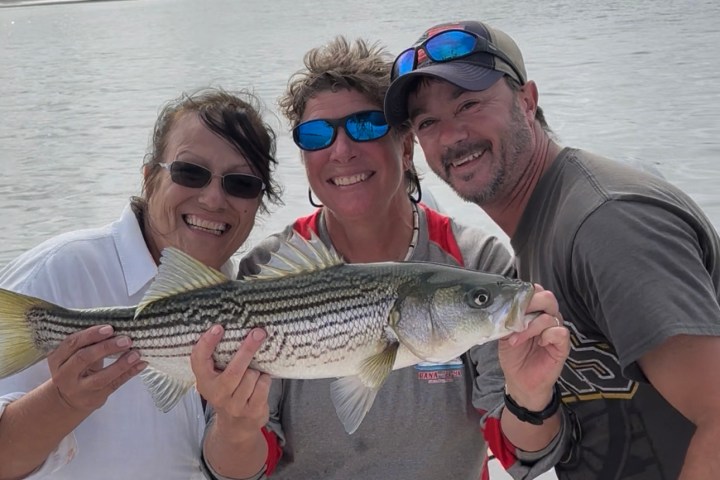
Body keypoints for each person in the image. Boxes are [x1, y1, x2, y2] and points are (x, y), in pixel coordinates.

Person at [192, 36, 571, 480]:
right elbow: (242, 470)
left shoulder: (475, 264)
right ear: (305, 159)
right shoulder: (268, 271)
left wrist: (530, 396)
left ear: (406, 146)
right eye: (316, 135)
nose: (341, 150)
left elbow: (522, 457)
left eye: (366, 126)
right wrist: (235, 425)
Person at [384, 20, 720, 480]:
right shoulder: (542, 227)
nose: (452, 135)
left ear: (527, 100)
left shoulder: (605, 225)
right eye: (428, 122)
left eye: (470, 104)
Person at [0, 87, 282, 479]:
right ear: (149, 178)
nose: (214, 198)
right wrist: (62, 401)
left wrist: (238, 428)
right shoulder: (59, 271)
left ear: (260, 202)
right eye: (190, 173)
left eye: (241, 183)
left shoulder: (266, 306)